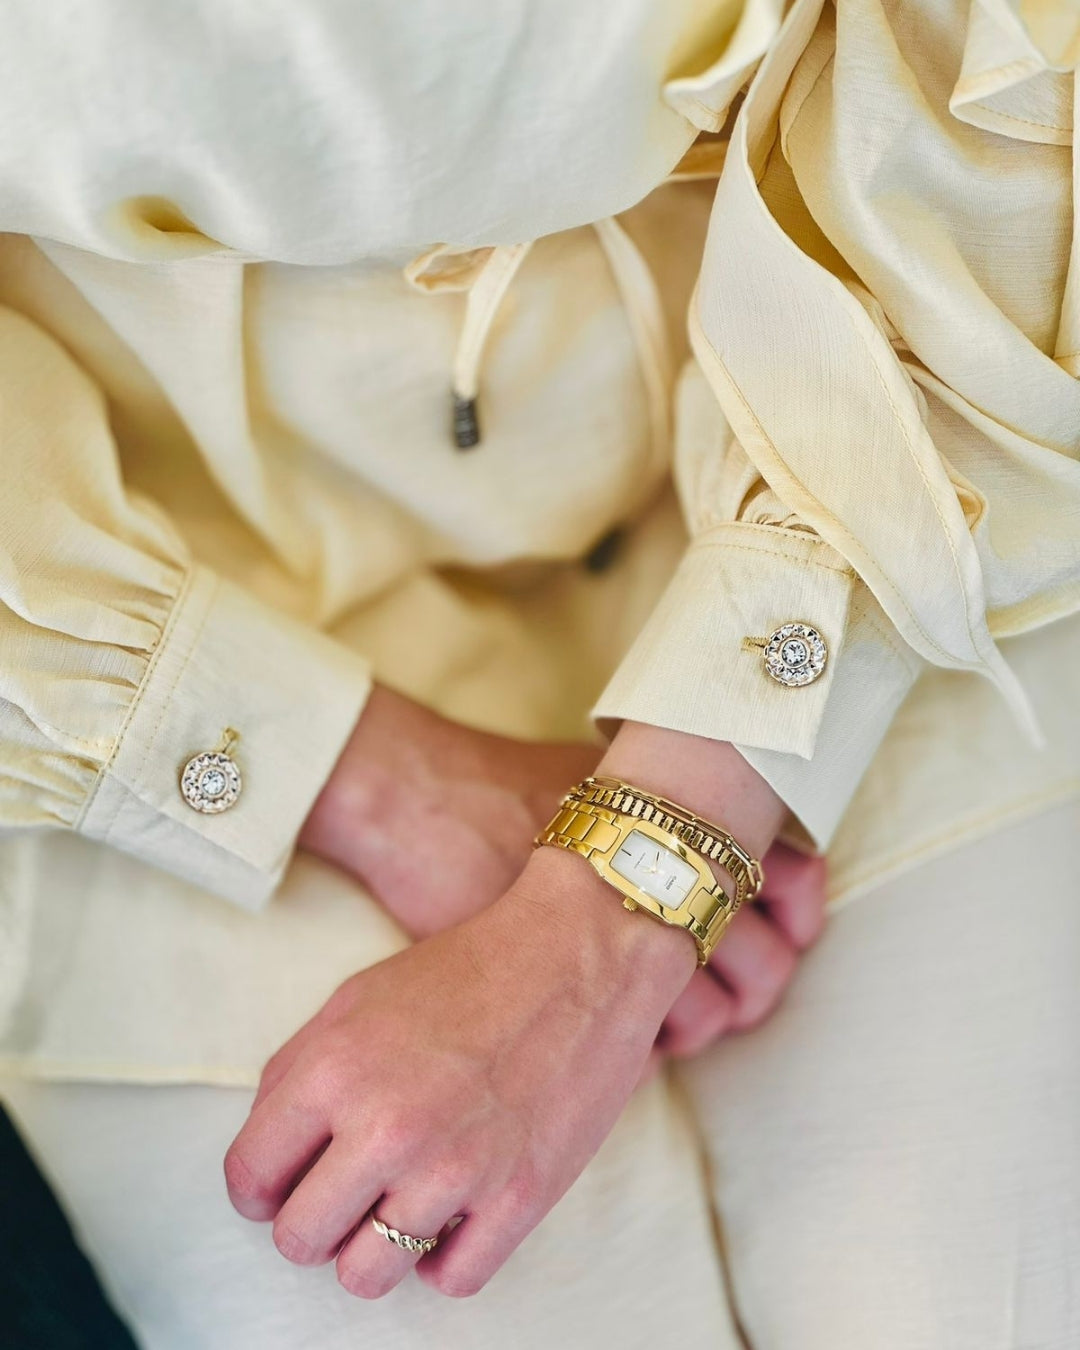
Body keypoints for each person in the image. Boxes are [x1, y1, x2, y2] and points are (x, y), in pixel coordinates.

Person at [1, 0, 1078, 1346]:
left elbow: (990, 97)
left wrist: (608, 912)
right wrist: (348, 768)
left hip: (885, 485)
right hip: (110, 632)